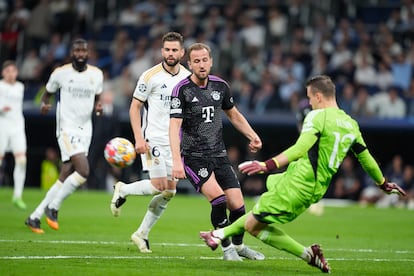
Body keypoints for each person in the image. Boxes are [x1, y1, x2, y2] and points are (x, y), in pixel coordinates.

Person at [199, 75, 407, 272]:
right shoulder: (350, 124)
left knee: (254, 221)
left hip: (301, 183)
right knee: (271, 185)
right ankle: (310, 255)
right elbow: (366, 158)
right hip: (315, 185)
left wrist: (266, 165)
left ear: (318, 96)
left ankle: (218, 234)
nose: (309, 103)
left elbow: (299, 149)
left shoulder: (317, 116)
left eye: (309, 98)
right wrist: (382, 183)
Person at [170, 42, 265, 261]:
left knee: (239, 208)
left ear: (211, 61)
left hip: (219, 154)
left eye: (205, 60)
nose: (201, 65)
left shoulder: (221, 86)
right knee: (219, 200)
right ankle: (227, 250)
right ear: (189, 64)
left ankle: (240, 247)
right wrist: (176, 161)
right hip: (193, 156)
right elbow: (174, 127)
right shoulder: (182, 90)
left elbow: (234, 115)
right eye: (196, 61)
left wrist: (252, 135)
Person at [109, 32, 191, 253]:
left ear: (182, 53)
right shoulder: (149, 75)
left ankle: (141, 234)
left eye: (175, 50)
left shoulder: (188, 78)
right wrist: (138, 138)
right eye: (167, 49)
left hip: (175, 143)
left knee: (169, 192)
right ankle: (123, 189)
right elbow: (135, 107)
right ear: (162, 51)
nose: (170, 53)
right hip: (153, 138)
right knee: (157, 186)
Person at [25, 38, 103, 234]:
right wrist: (44, 104)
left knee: (65, 174)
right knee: (83, 170)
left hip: (86, 129)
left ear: (88, 54)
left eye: (83, 51)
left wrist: (99, 106)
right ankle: (54, 207)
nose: (80, 54)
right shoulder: (60, 73)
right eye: (77, 51)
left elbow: (97, 97)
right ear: (71, 53)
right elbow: (47, 93)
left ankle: (34, 216)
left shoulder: (96, 74)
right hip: (67, 128)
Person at [0, 60, 28, 210]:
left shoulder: (20, 87)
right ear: (3, 73)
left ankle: (18, 196)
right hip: (2, 126)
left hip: (17, 127)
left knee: (22, 160)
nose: (11, 74)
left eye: (13, 71)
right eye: (8, 71)